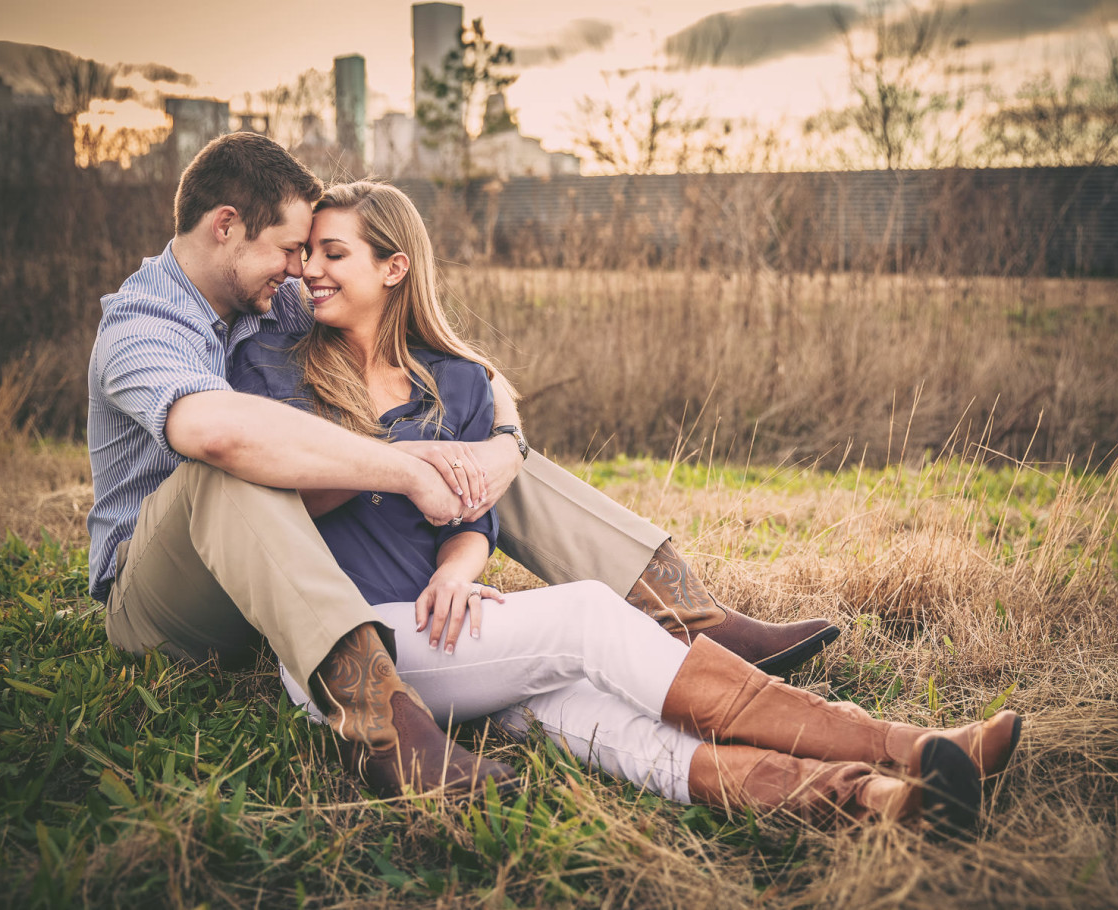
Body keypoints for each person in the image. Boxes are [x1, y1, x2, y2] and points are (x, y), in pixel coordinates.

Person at [229, 179, 1023, 835]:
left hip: (449, 628)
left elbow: (474, 520)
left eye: (333, 255)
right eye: (308, 258)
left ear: (394, 267)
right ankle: (907, 743)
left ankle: (874, 799)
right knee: (584, 618)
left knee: (617, 730)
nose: (310, 274)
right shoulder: (279, 365)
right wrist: (392, 464)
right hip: (349, 646)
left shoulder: (457, 382)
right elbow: (276, 497)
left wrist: (458, 569)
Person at [87, 131, 839, 800]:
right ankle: (381, 725)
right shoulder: (142, 323)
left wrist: (497, 446)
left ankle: (682, 614)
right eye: (290, 248)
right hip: (168, 601)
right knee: (232, 463)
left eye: (312, 253)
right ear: (226, 227)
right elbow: (215, 432)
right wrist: (405, 465)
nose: (299, 268)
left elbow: (460, 368)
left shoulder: (273, 302)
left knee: (472, 451)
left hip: (272, 591)